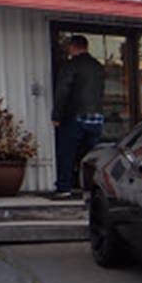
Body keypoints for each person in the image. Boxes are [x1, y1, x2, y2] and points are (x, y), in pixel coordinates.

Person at [51, 35, 105, 198]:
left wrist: (57, 115)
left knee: (67, 152)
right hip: (96, 115)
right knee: (91, 156)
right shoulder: (97, 66)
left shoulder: (71, 66)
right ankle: (91, 188)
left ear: (72, 47)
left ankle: (64, 188)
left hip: (76, 114)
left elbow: (63, 91)